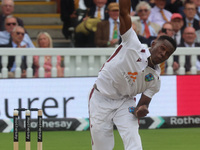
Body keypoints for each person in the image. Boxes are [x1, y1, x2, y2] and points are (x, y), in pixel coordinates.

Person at [89, 0, 177, 150]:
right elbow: (123, 13)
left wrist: (141, 109)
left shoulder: (155, 79)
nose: (163, 54)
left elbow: (143, 104)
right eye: (162, 48)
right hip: (101, 97)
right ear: (154, 43)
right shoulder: (133, 44)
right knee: (102, 146)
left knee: (133, 140)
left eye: (167, 54)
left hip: (125, 102)